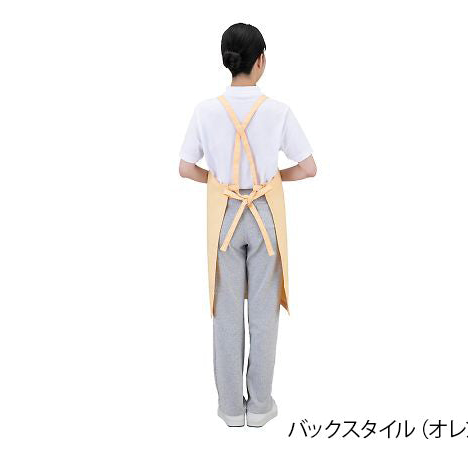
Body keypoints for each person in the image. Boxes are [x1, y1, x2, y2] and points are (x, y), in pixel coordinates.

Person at [179, 23, 317, 428]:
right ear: (260, 60)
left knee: (225, 315)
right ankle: (259, 407)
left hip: (224, 217)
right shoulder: (278, 111)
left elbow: (186, 168)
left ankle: (230, 409)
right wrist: (272, 181)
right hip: (264, 218)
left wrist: (219, 184)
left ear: (228, 60)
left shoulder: (205, 111)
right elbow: (309, 168)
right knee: (263, 315)